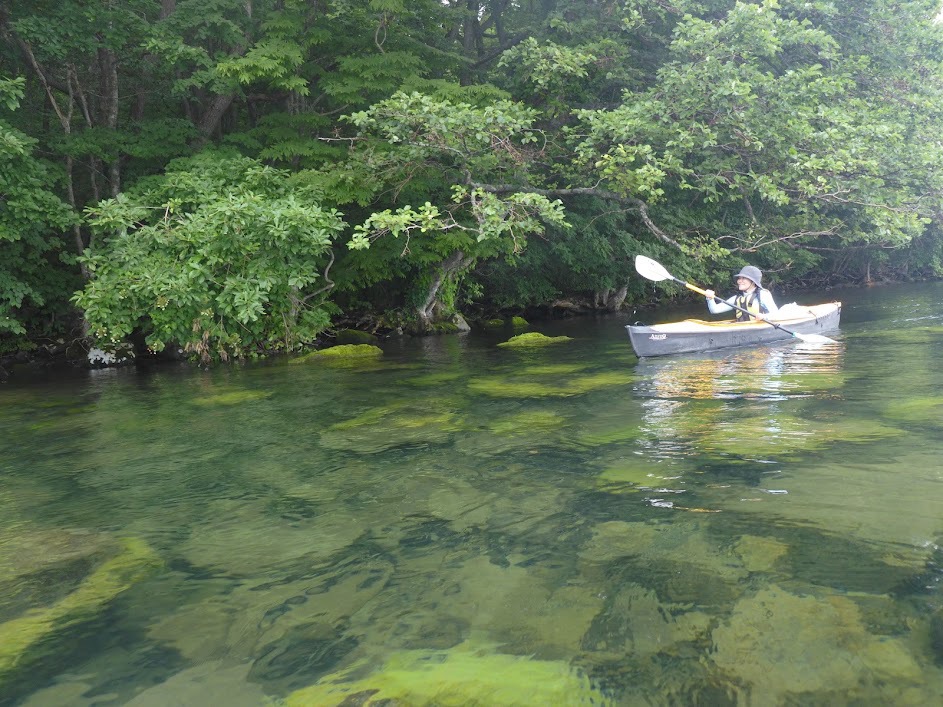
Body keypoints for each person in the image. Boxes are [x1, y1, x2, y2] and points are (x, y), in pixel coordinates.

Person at [704, 265, 778, 321]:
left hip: (760, 328)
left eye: (744, 278)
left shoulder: (763, 294)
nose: (739, 281)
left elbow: (776, 314)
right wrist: (710, 298)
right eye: (739, 278)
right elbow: (714, 310)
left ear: (753, 282)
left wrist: (764, 316)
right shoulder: (737, 298)